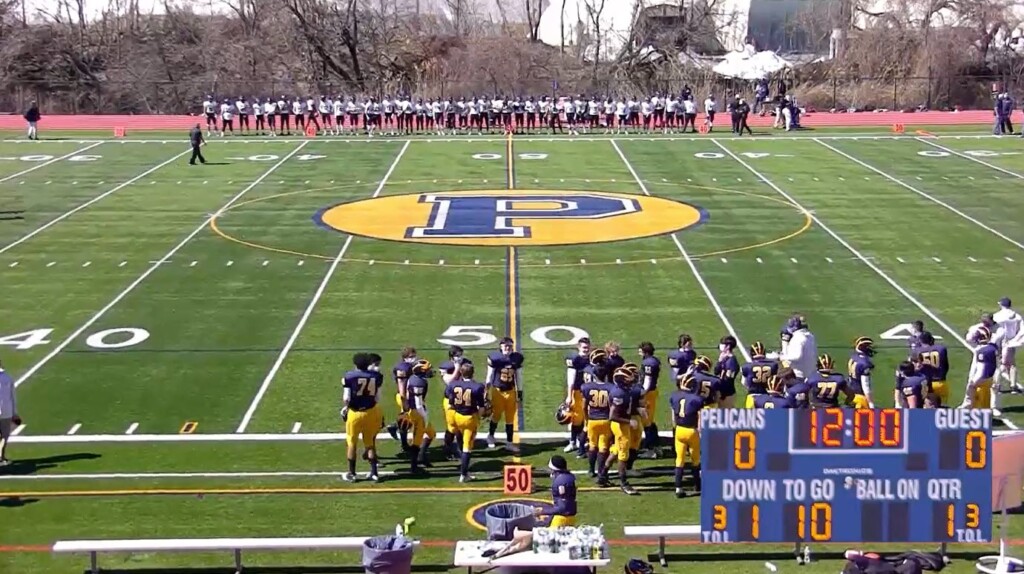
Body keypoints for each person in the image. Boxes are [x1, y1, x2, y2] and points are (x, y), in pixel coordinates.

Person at [540, 455, 578, 527]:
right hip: (571, 517)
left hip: (562, 519)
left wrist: (543, 511)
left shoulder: (560, 482)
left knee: (550, 537)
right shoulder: (568, 477)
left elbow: (562, 508)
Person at [0, 360, 20, 466]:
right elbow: (13, 397)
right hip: (6, 411)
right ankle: (1, 457)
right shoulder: (7, 377)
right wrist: (15, 413)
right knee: (4, 435)